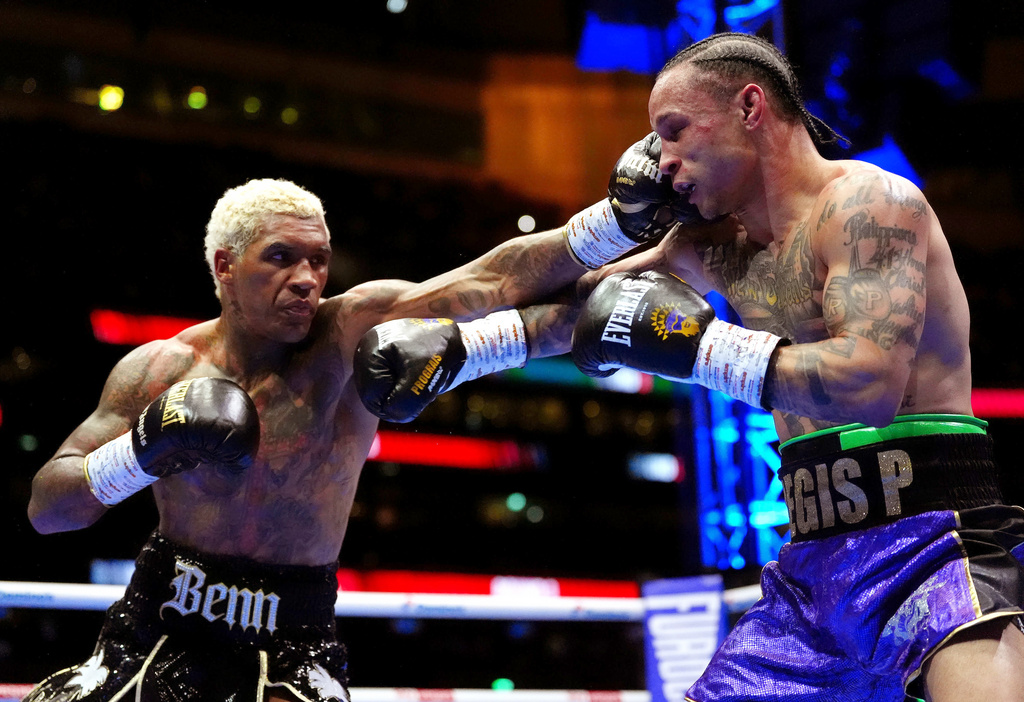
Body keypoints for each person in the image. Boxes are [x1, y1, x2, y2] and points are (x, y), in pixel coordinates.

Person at [359, 32, 1024, 702]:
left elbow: (869, 384)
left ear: (750, 107)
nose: (661, 160)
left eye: (674, 131)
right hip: (812, 565)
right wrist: (464, 350)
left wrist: (702, 349)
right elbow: (592, 310)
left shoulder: (871, 207)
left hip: (932, 541)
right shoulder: (712, 246)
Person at [24, 162, 694, 702]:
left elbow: (487, 281)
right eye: (281, 258)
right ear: (224, 267)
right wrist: (139, 451)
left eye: (318, 260)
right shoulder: (157, 370)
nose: (307, 280)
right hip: (159, 620)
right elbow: (47, 509)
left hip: (292, 635)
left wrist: (614, 224)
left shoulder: (347, 337)